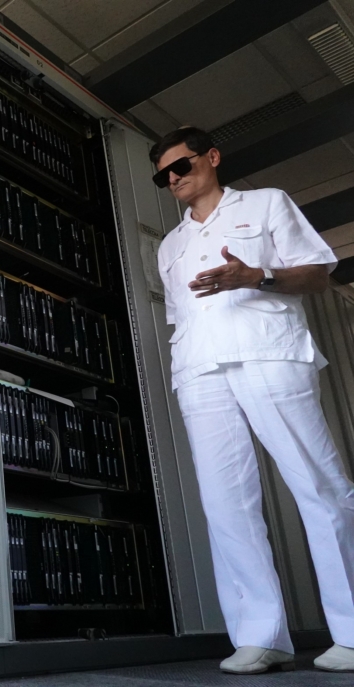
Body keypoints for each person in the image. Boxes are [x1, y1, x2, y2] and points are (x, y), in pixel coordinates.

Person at [153, 127, 354, 675]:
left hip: (270, 355)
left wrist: (256, 276)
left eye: (182, 165)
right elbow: (179, 316)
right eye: (163, 175)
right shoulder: (169, 246)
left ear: (212, 157)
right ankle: (261, 636)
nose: (173, 178)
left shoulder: (266, 203)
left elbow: (317, 274)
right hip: (200, 371)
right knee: (225, 505)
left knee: (318, 485)